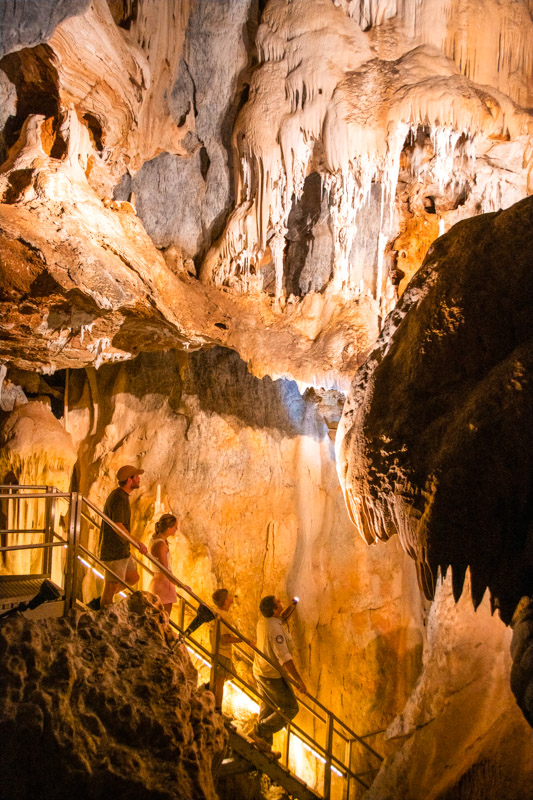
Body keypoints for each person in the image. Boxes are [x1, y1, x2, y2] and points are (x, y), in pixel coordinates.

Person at [251, 595, 306, 755]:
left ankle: (264, 747)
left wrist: (292, 606)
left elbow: (280, 619)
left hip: (260, 670)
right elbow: (285, 658)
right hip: (270, 675)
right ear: (274, 609)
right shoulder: (274, 630)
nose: (280, 602)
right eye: (278, 603)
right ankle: (258, 732)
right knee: (290, 708)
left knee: (268, 708)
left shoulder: (265, 620)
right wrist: (299, 681)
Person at [99, 464, 148, 607]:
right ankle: (103, 609)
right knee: (110, 587)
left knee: (133, 577)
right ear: (129, 480)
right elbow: (118, 526)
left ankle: (103, 599)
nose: (139, 479)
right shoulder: (119, 498)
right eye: (136, 477)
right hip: (115, 551)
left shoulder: (122, 496)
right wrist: (137, 542)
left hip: (122, 550)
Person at [210, 588, 240, 713]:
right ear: (226, 601)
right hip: (223, 653)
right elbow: (225, 639)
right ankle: (217, 710)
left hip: (216, 651)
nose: (231, 597)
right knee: (220, 683)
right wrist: (244, 640)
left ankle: (210, 695)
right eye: (229, 596)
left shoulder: (215, 612)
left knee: (223, 678)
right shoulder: (225, 616)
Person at [148, 513, 179, 616]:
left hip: (157, 582)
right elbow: (165, 570)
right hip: (164, 586)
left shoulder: (154, 539)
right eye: (175, 527)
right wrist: (181, 586)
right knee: (164, 619)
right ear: (169, 529)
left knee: (158, 619)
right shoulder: (161, 545)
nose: (177, 529)